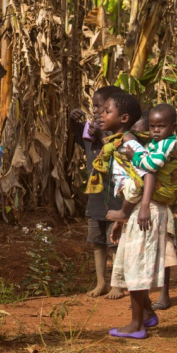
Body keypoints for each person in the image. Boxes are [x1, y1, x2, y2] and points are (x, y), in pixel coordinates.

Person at [94, 93, 168, 339]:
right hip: (135, 211)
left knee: (136, 269)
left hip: (144, 211)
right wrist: (123, 218)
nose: (101, 115)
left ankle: (137, 325)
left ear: (123, 118)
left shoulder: (129, 142)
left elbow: (148, 172)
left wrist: (143, 206)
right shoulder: (118, 142)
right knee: (129, 264)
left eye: (107, 111)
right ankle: (146, 314)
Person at [121, 103, 177, 310]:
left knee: (160, 251)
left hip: (160, 199)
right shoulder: (158, 144)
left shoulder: (167, 144)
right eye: (153, 126)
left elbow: (151, 166)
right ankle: (143, 299)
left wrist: (134, 157)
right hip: (158, 198)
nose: (155, 130)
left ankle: (150, 299)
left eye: (161, 126)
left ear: (173, 128)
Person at [70, 85, 126, 300]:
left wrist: (102, 134)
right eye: (94, 106)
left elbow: (116, 152)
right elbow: (76, 137)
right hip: (96, 197)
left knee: (115, 243)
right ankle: (101, 282)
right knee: (97, 242)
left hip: (116, 198)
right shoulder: (89, 132)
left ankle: (118, 284)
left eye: (102, 107)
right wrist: (73, 121)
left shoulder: (120, 135)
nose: (96, 111)